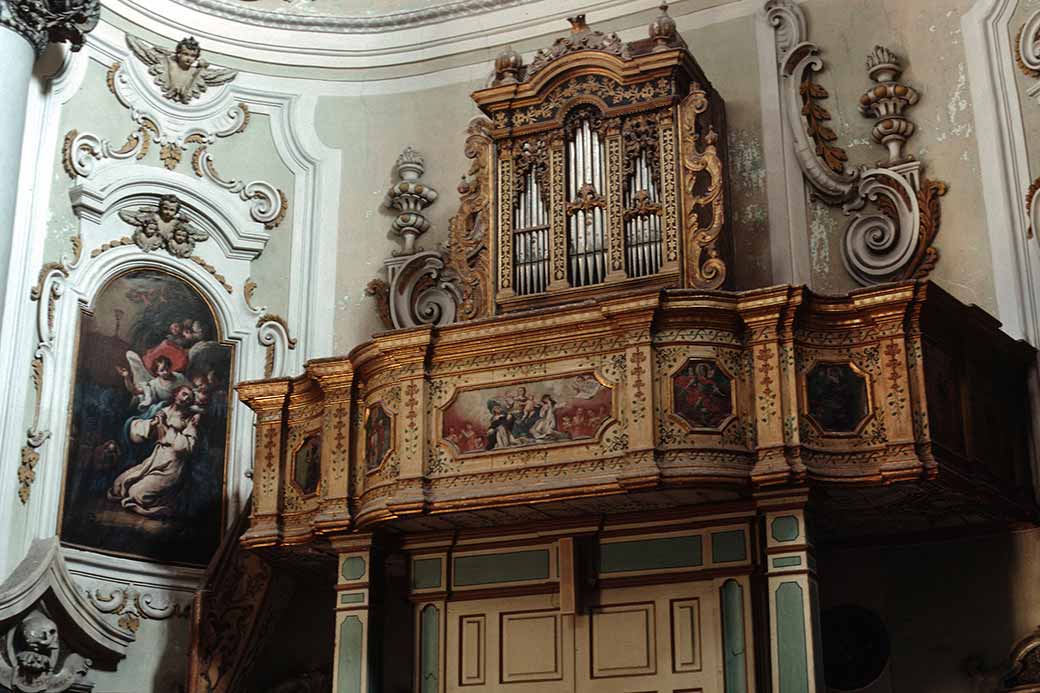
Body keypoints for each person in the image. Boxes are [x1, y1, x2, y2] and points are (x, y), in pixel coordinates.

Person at [108, 386, 200, 518]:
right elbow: (137, 433)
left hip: (173, 464)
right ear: (175, 394)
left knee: (137, 493)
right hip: (155, 458)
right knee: (119, 484)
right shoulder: (160, 410)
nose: (186, 399)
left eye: (189, 398)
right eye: (184, 394)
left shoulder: (189, 420)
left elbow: (187, 447)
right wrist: (152, 424)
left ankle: (166, 506)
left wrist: (167, 427)